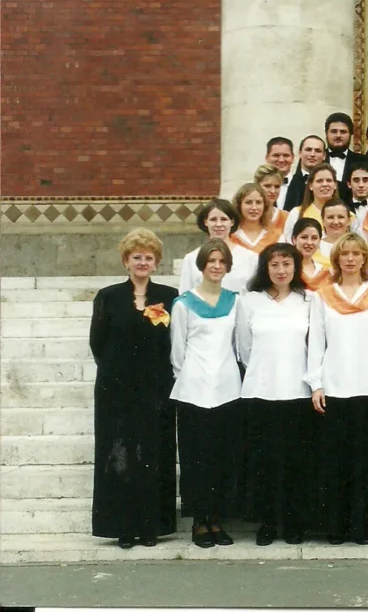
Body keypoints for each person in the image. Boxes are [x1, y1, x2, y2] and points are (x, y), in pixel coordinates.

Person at [90, 229, 178, 549]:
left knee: (154, 454)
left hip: (156, 388)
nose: (143, 262)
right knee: (120, 456)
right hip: (116, 388)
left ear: (157, 262)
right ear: (126, 260)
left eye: (148, 257)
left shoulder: (169, 296)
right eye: (136, 257)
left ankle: (151, 526)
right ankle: (123, 527)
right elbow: (97, 342)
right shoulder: (108, 296)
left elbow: (173, 341)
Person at [306, 233, 368, 544]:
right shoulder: (323, 296)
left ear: (365, 258)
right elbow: (316, 343)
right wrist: (316, 383)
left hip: (367, 391)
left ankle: (363, 527)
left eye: (357, 253)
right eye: (345, 254)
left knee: (365, 463)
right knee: (334, 462)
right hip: (333, 389)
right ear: (337, 259)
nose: (351, 259)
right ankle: (336, 527)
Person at [236, 243, 313, 545]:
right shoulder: (249, 302)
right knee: (264, 461)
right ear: (265, 268)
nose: (281, 270)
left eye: (286, 264)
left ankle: (294, 522)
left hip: (298, 392)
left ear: (296, 267)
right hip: (261, 391)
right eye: (274, 265)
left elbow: (313, 345)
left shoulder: (308, 300)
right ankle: (267, 522)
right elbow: (244, 348)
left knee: (296, 461)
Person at [170, 239, 243, 548]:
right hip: (193, 391)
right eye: (211, 260)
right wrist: (190, 379)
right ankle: (199, 521)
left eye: (221, 261)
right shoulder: (184, 303)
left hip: (227, 390)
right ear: (201, 265)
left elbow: (240, 345)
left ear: (228, 267)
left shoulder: (235, 301)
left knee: (222, 458)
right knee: (195, 459)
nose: (216, 266)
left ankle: (217, 520)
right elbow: (178, 352)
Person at [179, 199, 256, 295]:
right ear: (205, 222)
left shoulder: (251, 258)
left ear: (232, 222)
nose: (219, 224)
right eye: (213, 219)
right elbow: (185, 295)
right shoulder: (191, 258)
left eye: (224, 219)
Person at [282, 162, 340, 243]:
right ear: (310, 186)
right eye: (319, 181)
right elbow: (289, 243)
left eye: (329, 180)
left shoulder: (349, 216)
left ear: (335, 185)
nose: (325, 184)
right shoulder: (296, 214)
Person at [322, 113, 367, 204]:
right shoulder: (317, 159)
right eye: (334, 131)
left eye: (343, 132)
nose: (338, 135)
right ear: (326, 133)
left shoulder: (362, 160)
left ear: (351, 134)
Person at [230, 183, 283, 255]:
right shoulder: (230, 236)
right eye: (248, 202)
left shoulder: (277, 237)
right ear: (239, 205)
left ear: (265, 206)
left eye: (258, 202)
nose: (254, 207)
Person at [283, 134, 329, 211]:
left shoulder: (334, 185)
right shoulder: (287, 183)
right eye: (308, 150)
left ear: (324, 155)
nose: (312, 154)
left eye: (317, 151)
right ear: (300, 153)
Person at [291, 217, 332, 291]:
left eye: (314, 238)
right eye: (304, 237)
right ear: (294, 239)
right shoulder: (287, 269)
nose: (309, 242)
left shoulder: (325, 272)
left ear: (320, 241)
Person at [253, 163, 290, 234]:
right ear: (257, 185)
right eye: (267, 186)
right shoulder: (247, 215)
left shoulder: (286, 217)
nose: (273, 191)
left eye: (277, 186)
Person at [264, 137, 295, 210]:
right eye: (276, 155)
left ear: (293, 158)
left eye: (286, 155)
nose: (281, 160)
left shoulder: (304, 187)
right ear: (267, 158)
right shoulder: (258, 187)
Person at [347, 164, 368, 235]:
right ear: (349, 184)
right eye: (356, 180)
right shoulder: (342, 208)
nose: (361, 185)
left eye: (365, 180)